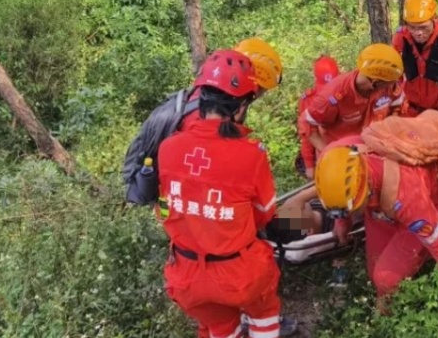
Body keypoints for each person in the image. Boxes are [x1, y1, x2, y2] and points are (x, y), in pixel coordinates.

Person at [158, 49, 293, 338]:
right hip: (238, 274)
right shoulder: (250, 155)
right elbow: (265, 214)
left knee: (218, 326)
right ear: (241, 107)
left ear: (201, 97)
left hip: (186, 276)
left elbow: (164, 209)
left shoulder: (168, 147)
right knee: (264, 308)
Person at [314, 116, 438, 314]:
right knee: (375, 273)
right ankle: (388, 306)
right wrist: (342, 221)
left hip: (430, 202)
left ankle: (396, 312)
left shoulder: (407, 196)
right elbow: (342, 193)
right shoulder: (334, 158)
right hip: (383, 211)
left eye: (353, 210)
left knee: (386, 279)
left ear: (368, 189)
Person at [123, 38, 283, 205]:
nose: (260, 95)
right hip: (179, 198)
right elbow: (195, 171)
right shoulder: (203, 115)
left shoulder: (209, 96)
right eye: (262, 90)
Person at [300, 43, 405, 155]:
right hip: (343, 153)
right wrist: (328, 151)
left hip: (373, 149)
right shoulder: (333, 96)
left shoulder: (389, 85)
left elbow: (397, 104)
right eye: (390, 83)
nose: (393, 85)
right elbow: (307, 123)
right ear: (376, 82)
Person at [295, 55, 341, 179]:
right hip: (325, 157)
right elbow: (307, 134)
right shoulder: (309, 101)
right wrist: (309, 165)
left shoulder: (348, 92)